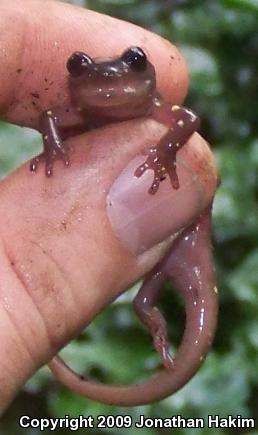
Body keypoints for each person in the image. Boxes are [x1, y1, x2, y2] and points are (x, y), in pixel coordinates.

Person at [0, 0, 217, 413]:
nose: (107, 81)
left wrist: (166, 153)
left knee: (186, 280)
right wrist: (53, 142)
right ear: (76, 85)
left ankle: (147, 307)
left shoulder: (157, 106)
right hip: (170, 218)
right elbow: (48, 116)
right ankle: (147, 308)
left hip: (189, 223)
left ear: (149, 77)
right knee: (156, 280)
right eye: (80, 70)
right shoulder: (74, 110)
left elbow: (187, 120)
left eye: (134, 63)